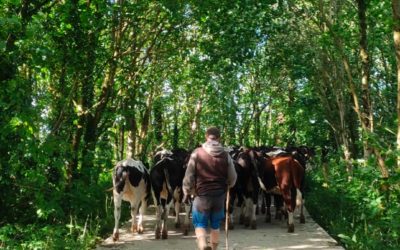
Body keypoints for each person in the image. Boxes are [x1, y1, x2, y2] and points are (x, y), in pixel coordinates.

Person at [183, 126, 237, 250]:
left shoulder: (197, 153)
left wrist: (186, 190)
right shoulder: (226, 155)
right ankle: (214, 248)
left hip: (201, 196)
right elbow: (233, 177)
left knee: (200, 224)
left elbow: (189, 175)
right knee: (215, 225)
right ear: (219, 138)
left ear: (206, 137)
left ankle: (203, 246)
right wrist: (229, 184)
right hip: (219, 196)